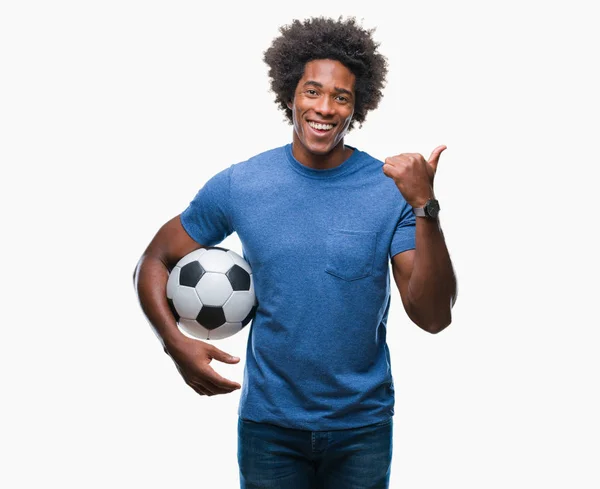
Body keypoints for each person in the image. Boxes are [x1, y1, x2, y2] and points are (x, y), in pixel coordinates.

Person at [133, 15, 457, 489]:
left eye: (340, 97)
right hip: (270, 428)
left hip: (361, 428)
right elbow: (155, 260)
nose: (324, 108)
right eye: (312, 91)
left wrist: (425, 207)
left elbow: (433, 316)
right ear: (290, 96)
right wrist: (174, 343)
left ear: (357, 108)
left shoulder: (390, 190)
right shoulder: (241, 184)